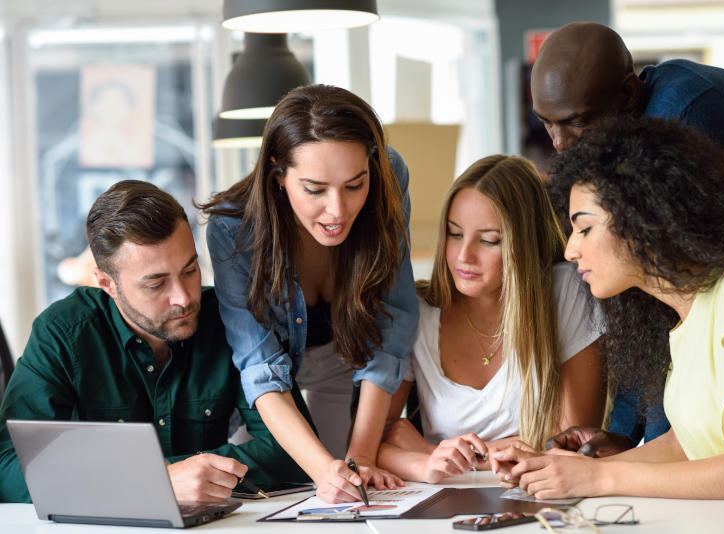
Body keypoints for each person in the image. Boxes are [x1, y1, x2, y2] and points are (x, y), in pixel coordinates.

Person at [491, 116, 724, 510]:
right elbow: (688, 445)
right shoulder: (685, 318)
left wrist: (599, 476)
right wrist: (558, 467)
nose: (570, 250)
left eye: (584, 229)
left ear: (643, 219)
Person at [530, 21, 724, 455]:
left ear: (628, 94)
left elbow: (673, 306)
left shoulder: (688, 113)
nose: (560, 144)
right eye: (546, 125)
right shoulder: (617, 144)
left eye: (575, 123)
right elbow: (641, 303)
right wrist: (622, 433)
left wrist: (642, 449)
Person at [0, 180, 306, 503]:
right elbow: (8, 467)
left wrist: (180, 476)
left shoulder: (228, 320)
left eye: (190, 270)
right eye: (156, 284)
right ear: (107, 283)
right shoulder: (62, 334)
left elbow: (294, 451)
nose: (184, 298)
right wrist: (153, 480)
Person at [200, 84, 418, 504]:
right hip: (271, 385)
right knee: (287, 491)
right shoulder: (233, 228)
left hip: (349, 355)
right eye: (315, 190)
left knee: (355, 489)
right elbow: (261, 369)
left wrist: (360, 457)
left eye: (355, 185)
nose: (337, 210)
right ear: (278, 175)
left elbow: (393, 321)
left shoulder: (390, 175)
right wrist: (325, 473)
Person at [376, 155, 605, 483]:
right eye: (455, 234)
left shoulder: (566, 291)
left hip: (538, 494)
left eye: (488, 240)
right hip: (442, 498)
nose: (464, 256)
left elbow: (571, 443)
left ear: (522, 244)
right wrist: (428, 463)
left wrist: (433, 452)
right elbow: (377, 444)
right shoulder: (418, 311)